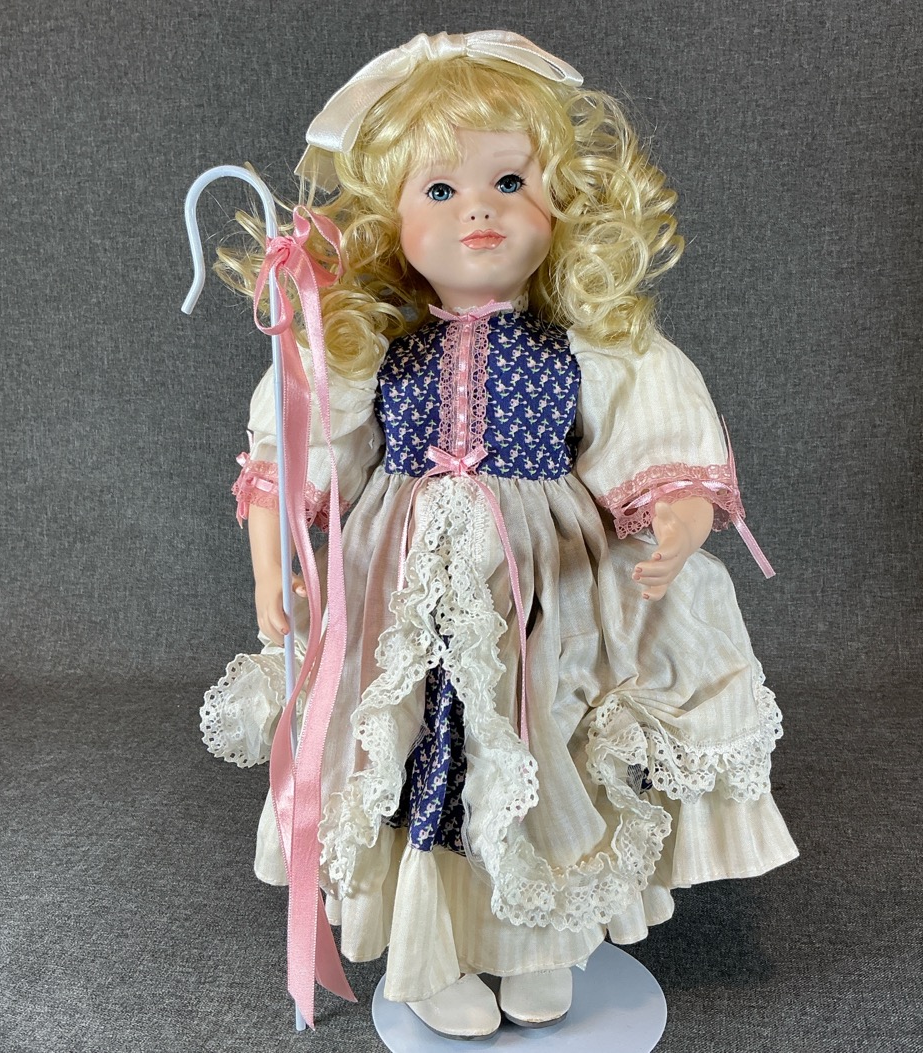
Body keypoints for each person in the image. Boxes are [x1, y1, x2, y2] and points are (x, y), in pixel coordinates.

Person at [200, 30, 798, 1039]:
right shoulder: (373, 347)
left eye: (509, 181)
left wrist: (678, 513)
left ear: (561, 203)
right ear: (392, 219)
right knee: (420, 747)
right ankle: (434, 952)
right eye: (439, 190)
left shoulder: (584, 344)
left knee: (541, 742)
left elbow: (652, 433)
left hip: (544, 580)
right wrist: (274, 561)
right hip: (399, 585)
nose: (477, 209)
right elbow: (300, 452)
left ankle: (538, 939)